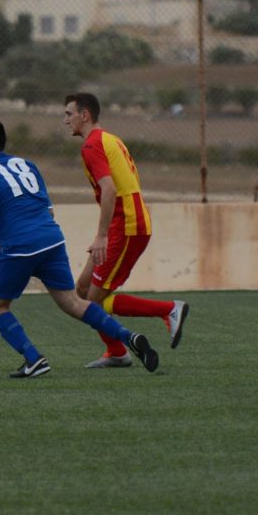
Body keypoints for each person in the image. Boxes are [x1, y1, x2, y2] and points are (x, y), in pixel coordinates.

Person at [0, 118, 159, 378]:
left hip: (19, 247)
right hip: (52, 238)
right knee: (72, 302)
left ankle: (33, 359)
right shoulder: (26, 164)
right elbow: (49, 210)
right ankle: (128, 336)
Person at [62, 93, 190, 368]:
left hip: (127, 226)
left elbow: (109, 189)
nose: (65, 120)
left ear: (85, 115)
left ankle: (168, 311)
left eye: (69, 114)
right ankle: (117, 352)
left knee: (91, 304)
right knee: (82, 289)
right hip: (127, 223)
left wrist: (102, 236)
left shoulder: (91, 146)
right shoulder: (109, 138)